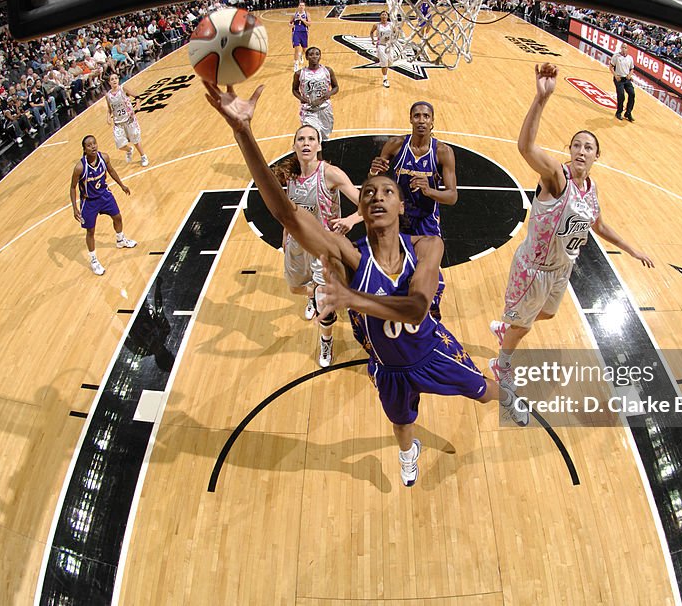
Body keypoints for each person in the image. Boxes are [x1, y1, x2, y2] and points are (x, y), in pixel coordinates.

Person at [203, 80, 527, 488]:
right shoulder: (350, 256)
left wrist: (353, 297)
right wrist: (243, 133)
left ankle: (511, 397)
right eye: (369, 191)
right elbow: (287, 215)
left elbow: (416, 307)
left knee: (482, 392)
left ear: (401, 204)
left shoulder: (428, 245)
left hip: (430, 350)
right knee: (401, 422)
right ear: (361, 206)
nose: (376, 195)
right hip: (388, 366)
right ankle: (409, 454)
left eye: (386, 191)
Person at [490, 64, 654, 389]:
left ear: (597, 156)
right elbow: (525, 147)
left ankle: (509, 326)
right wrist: (541, 98)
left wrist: (632, 249)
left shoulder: (591, 189)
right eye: (576, 144)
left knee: (547, 315)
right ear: (569, 151)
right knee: (524, 328)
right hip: (535, 268)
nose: (581, 150)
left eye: (588, 147)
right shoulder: (557, 177)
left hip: (562, 269)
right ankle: (502, 362)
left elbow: (599, 225)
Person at [278, 124, 362, 367]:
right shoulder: (291, 174)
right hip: (296, 243)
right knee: (295, 288)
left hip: (323, 248)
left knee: (323, 301)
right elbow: (291, 210)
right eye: (301, 139)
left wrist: (350, 219)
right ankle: (313, 293)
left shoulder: (331, 173)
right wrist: (285, 234)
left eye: (311, 139)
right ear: (294, 146)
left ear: (319, 145)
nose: (306, 143)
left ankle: (326, 341)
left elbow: (365, 205)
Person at [370, 101, 456, 319]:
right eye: (417, 116)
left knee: (430, 264)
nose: (421, 120)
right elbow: (377, 180)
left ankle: (433, 304)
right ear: (410, 119)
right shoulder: (395, 145)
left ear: (432, 121)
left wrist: (429, 191)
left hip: (426, 217)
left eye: (426, 116)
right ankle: (395, 301)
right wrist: (372, 173)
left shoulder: (443, 152)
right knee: (397, 263)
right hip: (400, 216)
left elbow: (452, 196)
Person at [69, 135, 137, 276]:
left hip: (105, 195)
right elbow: (72, 187)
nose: (93, 146)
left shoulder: (104, 157)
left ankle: (120, 239)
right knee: (90, 231)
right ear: (84, 149)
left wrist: (122, 185)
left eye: (94, 143)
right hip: (89, 202)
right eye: (89, 145)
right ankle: (94, 260)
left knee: (117, 217)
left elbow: (111, 171)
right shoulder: (80, 167)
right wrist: (75, 208)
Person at [292, 47, 339, 143]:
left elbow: (336, 87)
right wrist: (302, 98)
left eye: (317, 54)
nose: (314, 56)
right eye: (311, 54)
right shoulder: (299, 73)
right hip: (309, 110)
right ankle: (318, 158)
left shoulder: (328, 71)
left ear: (320, 56)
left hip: (325, 108)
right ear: (306, 57)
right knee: (313, 136)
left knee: (324, 136)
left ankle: (321, 155)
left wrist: (327, 94)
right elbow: (294, 89)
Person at [104, 73, 149, 167]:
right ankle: (129, 150)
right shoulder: (108, 95)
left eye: (116, 78)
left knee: (136, 140)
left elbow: (137, 96)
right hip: (118, 122)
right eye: (112, 79)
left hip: (129, 119)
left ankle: (143, 156)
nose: (114, 80)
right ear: (109, 82)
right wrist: (108, 118)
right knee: (119, 145)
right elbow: (109, 109)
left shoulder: (123, 89)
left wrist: (138, 104)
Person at [609, 42, 636, 122]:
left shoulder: (630, 58)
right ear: (621, 48)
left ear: (627, 49)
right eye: (623, 47)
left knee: (632, 94)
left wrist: (630, 75)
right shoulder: (616, 56)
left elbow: (632, 69)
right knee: (621, 96)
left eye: (626, 47)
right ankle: (619, 112)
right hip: (619, 78)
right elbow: (611, 67)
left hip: (626, 79)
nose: (624, 49)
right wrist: (615, 75)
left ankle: (628, 113)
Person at [370, 11, 397, 88]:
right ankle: (385, 79)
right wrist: (372, 39)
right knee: (384, 62)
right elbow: (371, 32)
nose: (384, 16)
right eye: (383, 14)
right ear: (380, 16)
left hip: (389, 45)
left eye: (385, 15)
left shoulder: (391, 25)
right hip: (381, 45)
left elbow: (396, 32)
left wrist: (394, 38)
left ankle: (383, 64)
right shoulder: (376, 25)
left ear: (387, 17)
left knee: (390, 62)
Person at [290, 2, 311, 73]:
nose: (301, 6)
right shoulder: (294, 14)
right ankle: (296, 63)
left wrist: (302, 20)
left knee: (305, 49)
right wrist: (290, 25)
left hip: (304, 32)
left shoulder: (307, 14)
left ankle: (301, 55)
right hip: (296, 32)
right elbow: (290, 23)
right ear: (298, 6)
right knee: (296, 48)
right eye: (300, 5)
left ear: (304, 6)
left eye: (303, 5)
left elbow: (309, 24)